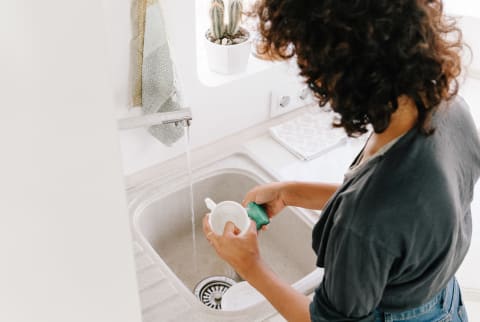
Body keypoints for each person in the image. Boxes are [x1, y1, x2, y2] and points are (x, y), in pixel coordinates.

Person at [203, 0, 480, 321]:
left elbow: (373, 219)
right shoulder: (447, 108)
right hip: (444, 302)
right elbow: (402, 214)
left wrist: (249, 264)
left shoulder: (365, 218)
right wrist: (289, 192)